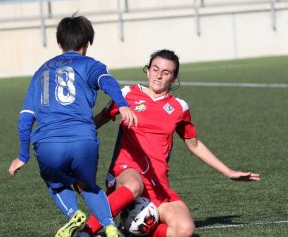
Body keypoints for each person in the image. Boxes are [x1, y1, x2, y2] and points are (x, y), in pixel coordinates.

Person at [80, 49, 260, 237]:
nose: (158, 76)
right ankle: (86, 232)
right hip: (126, 173)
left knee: (185, 230)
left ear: (174, 79)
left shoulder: (179, 108)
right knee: (134, 185)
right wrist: (69, 139)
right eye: (155, 69)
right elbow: (100, 119)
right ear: (147, 70)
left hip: (157, 184)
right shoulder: (127, 94)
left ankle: (126, 232)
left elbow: (194, 144)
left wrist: (228, 172)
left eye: (165, 73)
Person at [8, 15, 137, 237]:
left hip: (49, 143)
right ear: (87, 44)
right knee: (87, 184)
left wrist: (23, 155)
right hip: (84, 139)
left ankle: (73, 214)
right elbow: (107, 81)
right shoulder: (90, 64)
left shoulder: (41, 72)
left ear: (60, 43)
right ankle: (110, 227)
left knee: (56, 183)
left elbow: (26, 117)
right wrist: (122, 105)